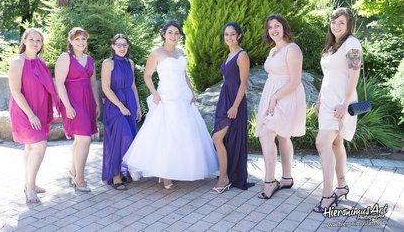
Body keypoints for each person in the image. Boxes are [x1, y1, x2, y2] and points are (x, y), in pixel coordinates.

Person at [123, 21, 218, 189]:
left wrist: (191, 92)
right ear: (164, 34)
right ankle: (165, 174)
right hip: (166, 97)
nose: (174, 36)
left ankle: (182, 169)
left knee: (186, 134)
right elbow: (147, 75)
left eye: (176, 33)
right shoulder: (156, 53)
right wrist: (155, 94)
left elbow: (184, 75)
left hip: (183, 97)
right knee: (168, 134)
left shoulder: (180, 52)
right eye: (170, 32)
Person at [313, 7, 362, 212]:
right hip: (327, 102)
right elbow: (328, 77)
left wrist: (344, 103)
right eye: (333, 22)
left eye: (341, 22)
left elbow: (354, 74)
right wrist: (318, 99)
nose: (336, 26)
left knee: (321, 143)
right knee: (335, 143)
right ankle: (341, 187)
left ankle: (327, 195)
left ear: (348, 24)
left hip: (341, 103)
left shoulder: (352, 43)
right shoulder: (333, 46)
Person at [254, 15, 306, 199]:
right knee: (282, 136)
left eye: (277, 26)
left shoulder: (292, 49)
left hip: (287, 95)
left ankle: (270, 182)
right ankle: (286, 178)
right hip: (272, 94)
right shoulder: (273, 51)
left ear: (284, 28)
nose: (273, 30)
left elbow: (295, 81)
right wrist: (271, 96)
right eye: (270, 27)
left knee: (266, 133)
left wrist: (275, 97)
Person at [8, 28, 58, 203]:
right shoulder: (17, 61)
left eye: (39, 40)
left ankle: (29, 182)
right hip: (24, 111)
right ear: (24, 40)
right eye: (32, 40)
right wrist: (31, 115)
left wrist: (50, 110)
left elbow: (47, 89)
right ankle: (30, 189)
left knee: (30, 148)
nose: (35, 43)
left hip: (39, 110)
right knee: (40, 145)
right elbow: (15, 91)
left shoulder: (41, 63)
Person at [55, 27, 100, 192]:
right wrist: (67, 106)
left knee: (80, 140)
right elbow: (59, 82)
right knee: (85, 139)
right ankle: (80, 178)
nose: (81, 42)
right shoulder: (65, 57)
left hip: (87, 101)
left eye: (83, 39)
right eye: (77, 39)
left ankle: (73, 172)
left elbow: (93, 84)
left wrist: (96, 104)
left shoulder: (89, 59)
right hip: (72, 101)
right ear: (70, 41)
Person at [211, 22, 250, 193]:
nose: (229, 37)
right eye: (226, 34)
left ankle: (224, 178)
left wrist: (235, 106)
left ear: (239, 36)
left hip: (235, 100)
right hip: (224, 98)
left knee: (217, 138)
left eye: (232, 34)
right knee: (223, 139)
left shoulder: (242, 55)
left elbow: (244, 84)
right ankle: (225, 175)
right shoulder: (229, 55)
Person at [101, 34, 141, 191]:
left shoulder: (130, 63)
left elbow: (133, 86)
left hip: (130, 103)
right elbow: (105, 87)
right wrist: (120, 105)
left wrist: (138, 107)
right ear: (112, 46)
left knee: (130, 138)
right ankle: (115, 175)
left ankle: (124, 171)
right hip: (115, 105)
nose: (122, 48)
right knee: (120, 137)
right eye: (118, 45)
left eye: (124, 45)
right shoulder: (108, 63)